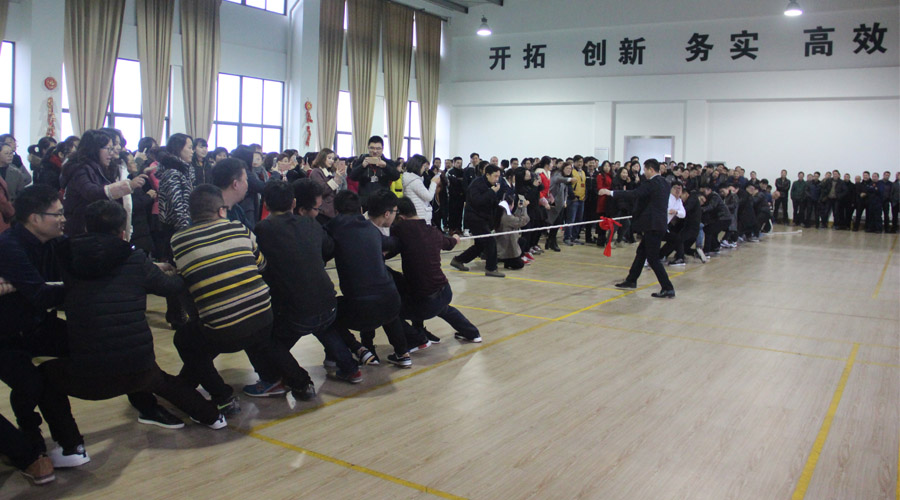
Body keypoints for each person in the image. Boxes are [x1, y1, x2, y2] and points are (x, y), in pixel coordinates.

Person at [37, 201, 227, 469]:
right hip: (138, 367)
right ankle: (213, 417)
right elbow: (170, 287)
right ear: (122, 231)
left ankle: (72, 447)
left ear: (87, 228)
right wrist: (186, 270)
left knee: (44, 376)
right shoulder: (133, 258)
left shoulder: (66, 256)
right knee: (158, 378)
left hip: (88, 373)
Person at [171, 185, 317, 412]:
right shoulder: (239, 229)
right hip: (263, 317)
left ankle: (222, 396)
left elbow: (186, 276)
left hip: (223, 330)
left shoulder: (179, 240)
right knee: (260, 334)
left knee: (185, 339)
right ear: (221, 210)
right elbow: (262, 265)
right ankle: (303, 383)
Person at [244, 180, 362, 392]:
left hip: (296, 312)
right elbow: (329, 247)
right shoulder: (310, 224)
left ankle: (296, 381)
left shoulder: (263, 230)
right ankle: (351, 368)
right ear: (294, 203)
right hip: (328, 304)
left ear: (266, 205)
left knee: (265, 339)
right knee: (323, 327)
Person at [0, 185, 69, 459]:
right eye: (58, 214)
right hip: (6, 334)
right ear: (35, 218)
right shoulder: (10, 247)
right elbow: (40, 294)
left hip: (35, 324)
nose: (63, 219)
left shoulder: (52, 241)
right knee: (29, 383)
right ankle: (29, 432)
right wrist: (79, 289)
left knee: (93, 343)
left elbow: (83, 254)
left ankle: (67, 436)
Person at [325, 190, 412, 368]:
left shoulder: (332, 227)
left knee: (326, 312)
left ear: (336, 211)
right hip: (392, 302)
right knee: (383, 298)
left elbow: (321, 248)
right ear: (360, 209)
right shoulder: (370, 228)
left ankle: (356, 349)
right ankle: (403, 353)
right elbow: (392, 243)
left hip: (361, 308)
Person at [387, 197, 482, 344]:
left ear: (400, 217)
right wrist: (455, 238)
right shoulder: (433, 231)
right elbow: (449, 243)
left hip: (426, 301)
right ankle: (473, 333)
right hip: (444, 291)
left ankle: (417, 339)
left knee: (389, 312)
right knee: (439, 306)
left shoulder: (401, 230)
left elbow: (387, 248)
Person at [600, 159, 675, 298]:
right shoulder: (665, 182)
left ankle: (667, 287)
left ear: (651, 170)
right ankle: (631, 280)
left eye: (645, 170)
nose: (644, 172)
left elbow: (635, 194)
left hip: (653, 225)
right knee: (641, 252)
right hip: (657, 223)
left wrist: (610, 193)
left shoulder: (652, 183)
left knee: (653, 258)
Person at [60, 130, 147, 236]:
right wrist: (128, 185)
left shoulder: (100, 168)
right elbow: (91, 192)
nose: (111, 153)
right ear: (95, 149)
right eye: (108, 148)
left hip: (94, 228)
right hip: (81, 229)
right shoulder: (80, 169)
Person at [451, 164, 505, 277]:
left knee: (480, 245)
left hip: (484, 218)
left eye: (498, 176)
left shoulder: (492, 185)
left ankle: (458, 260)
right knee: (490, 241)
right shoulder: (477, 184)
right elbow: (477, 201)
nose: (497, 179)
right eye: (495, 176)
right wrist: (491, 192)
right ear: (487, 175)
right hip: (474, 218)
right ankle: (491, 268)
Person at [348, 136, 400, 209]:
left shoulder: (388, 162)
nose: (375, 151)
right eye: (372, 148)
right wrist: (362, 166)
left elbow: (396, 176)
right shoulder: (361, 161)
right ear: (368, 148)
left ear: (382, 149)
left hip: (382, 201)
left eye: (378, 148)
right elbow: (352, 176)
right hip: (364, 202)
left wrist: (385, 166)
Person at [307, 148, 345, 221]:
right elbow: (321, 190)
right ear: (322, 158)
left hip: (331, 208)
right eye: (329, 158)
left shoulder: (329, 172)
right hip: (322, 210)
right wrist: (335, 180)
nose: (331, 161)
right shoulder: (316, 172)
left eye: (333, 159)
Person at [401, 154, 440, 223]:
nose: (424, 169)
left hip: (415, 212)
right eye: (424, 166)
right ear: (418, 166)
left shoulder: (410, 178)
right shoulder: (415, 181)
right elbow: (429, 197)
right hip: (419, 214)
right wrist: (433, 183)